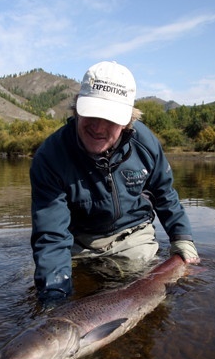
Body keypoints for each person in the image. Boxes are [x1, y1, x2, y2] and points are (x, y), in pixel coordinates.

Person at [30, 60, 199, 305]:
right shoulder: (50, 157)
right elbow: (51, 236)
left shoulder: (145, 143)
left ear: (128, 120)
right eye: (91, 114)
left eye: (109, 118)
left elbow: (165, 194)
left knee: (154, 300)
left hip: (133, 237)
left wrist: (182, 238)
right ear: (77, 108)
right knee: (49, 288)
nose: (98, 127)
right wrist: (53, 298)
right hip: (78, 242)